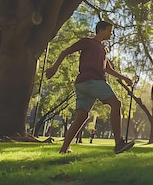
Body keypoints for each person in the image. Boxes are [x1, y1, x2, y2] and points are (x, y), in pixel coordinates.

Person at [45, 21, 134, 154]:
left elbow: (108, 69)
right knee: (116, 104)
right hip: (92, 80)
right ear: (101, 30)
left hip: (82, 84)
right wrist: (54, 67)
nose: (112, 34)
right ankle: (119, 143)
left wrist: (124, 78)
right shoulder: (88, 42)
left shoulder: (103, 49)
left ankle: (63, 150)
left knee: (81, 116)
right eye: (110, 30)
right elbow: (66, 51)